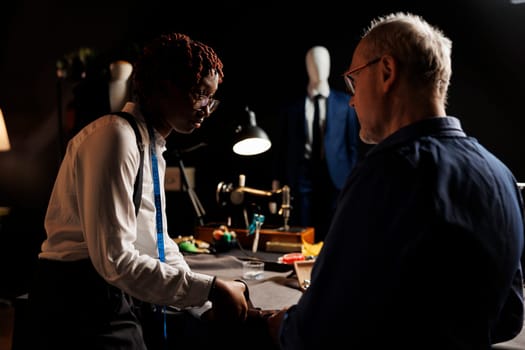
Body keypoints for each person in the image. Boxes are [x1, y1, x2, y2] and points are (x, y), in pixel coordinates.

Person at [266, 12, 524, 349]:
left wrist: (279, 324)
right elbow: (509, 318)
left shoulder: (386, 173)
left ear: (386, 72)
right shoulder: (501, 175)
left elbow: (316, 329)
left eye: (354, 80)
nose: (353, 98)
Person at [27, 32, 250, 350]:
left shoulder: (152, 145)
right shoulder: (115, 137)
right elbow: (114, 259)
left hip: (108, 292)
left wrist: (203, 300)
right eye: (200, 94)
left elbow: (154, 242)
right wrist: (211, 289)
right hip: (76, 299)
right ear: (164, 85)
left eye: (211, 99)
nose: (206, 108)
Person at [271, 45, 360, 242]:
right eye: (314, 63)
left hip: (336, 175)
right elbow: (281, 146)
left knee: (334, 228)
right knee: (301, 227)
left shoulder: (345, 104)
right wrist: (276, 181)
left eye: (323, 62)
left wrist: (353, 178)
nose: (319, 67)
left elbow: (352, 145)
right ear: (307, 66)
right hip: (301, 173)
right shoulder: (292, 106)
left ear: (329, 65)